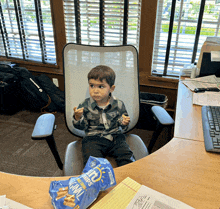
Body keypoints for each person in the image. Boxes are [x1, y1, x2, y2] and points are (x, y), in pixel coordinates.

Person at [72, 65, 135, 167]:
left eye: (101, 86)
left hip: (115, 137)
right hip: (93, 138)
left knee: (127, 158)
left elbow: (124, 125)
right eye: (92, 85)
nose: (95, 90)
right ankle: (96, 180)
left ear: (111, 88)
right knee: (92, 163)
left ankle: (128, 178)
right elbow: (80, 127)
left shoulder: (118, 104)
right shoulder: (84, 105)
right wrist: (77, 118)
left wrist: (123, 123)